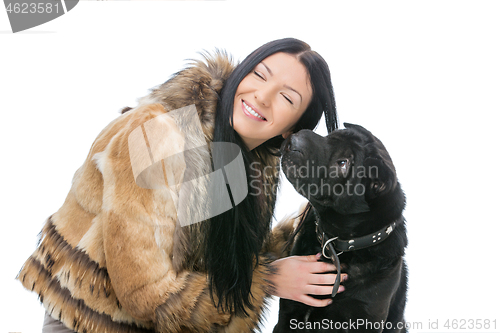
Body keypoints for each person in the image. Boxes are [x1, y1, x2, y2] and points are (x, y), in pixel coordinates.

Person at [17, 38, 347, 333]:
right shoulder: (159, 134)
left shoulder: (252, 161)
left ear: (292, 130)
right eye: (259, 75)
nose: (262, 96)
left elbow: (219, 258)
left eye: (286, 98)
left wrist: (306, 230)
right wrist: (269, 280)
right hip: (91, 322)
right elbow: (147, 296)